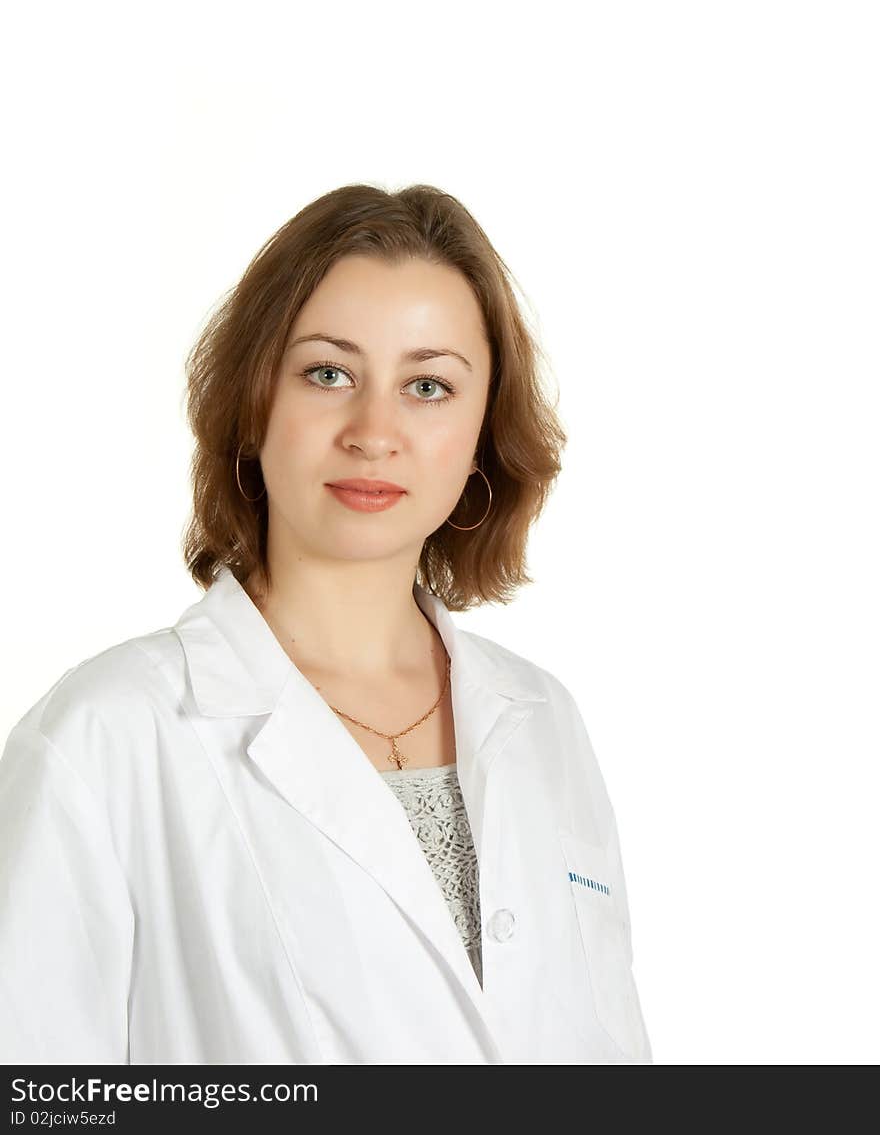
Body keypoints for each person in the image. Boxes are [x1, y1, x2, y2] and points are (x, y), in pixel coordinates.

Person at [0, 183, 652, 1066]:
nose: (374, 431)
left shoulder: (545, 722)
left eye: (428, 385)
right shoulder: (105, 738)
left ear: (482, 434)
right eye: (328, 372)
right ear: (253, 401)